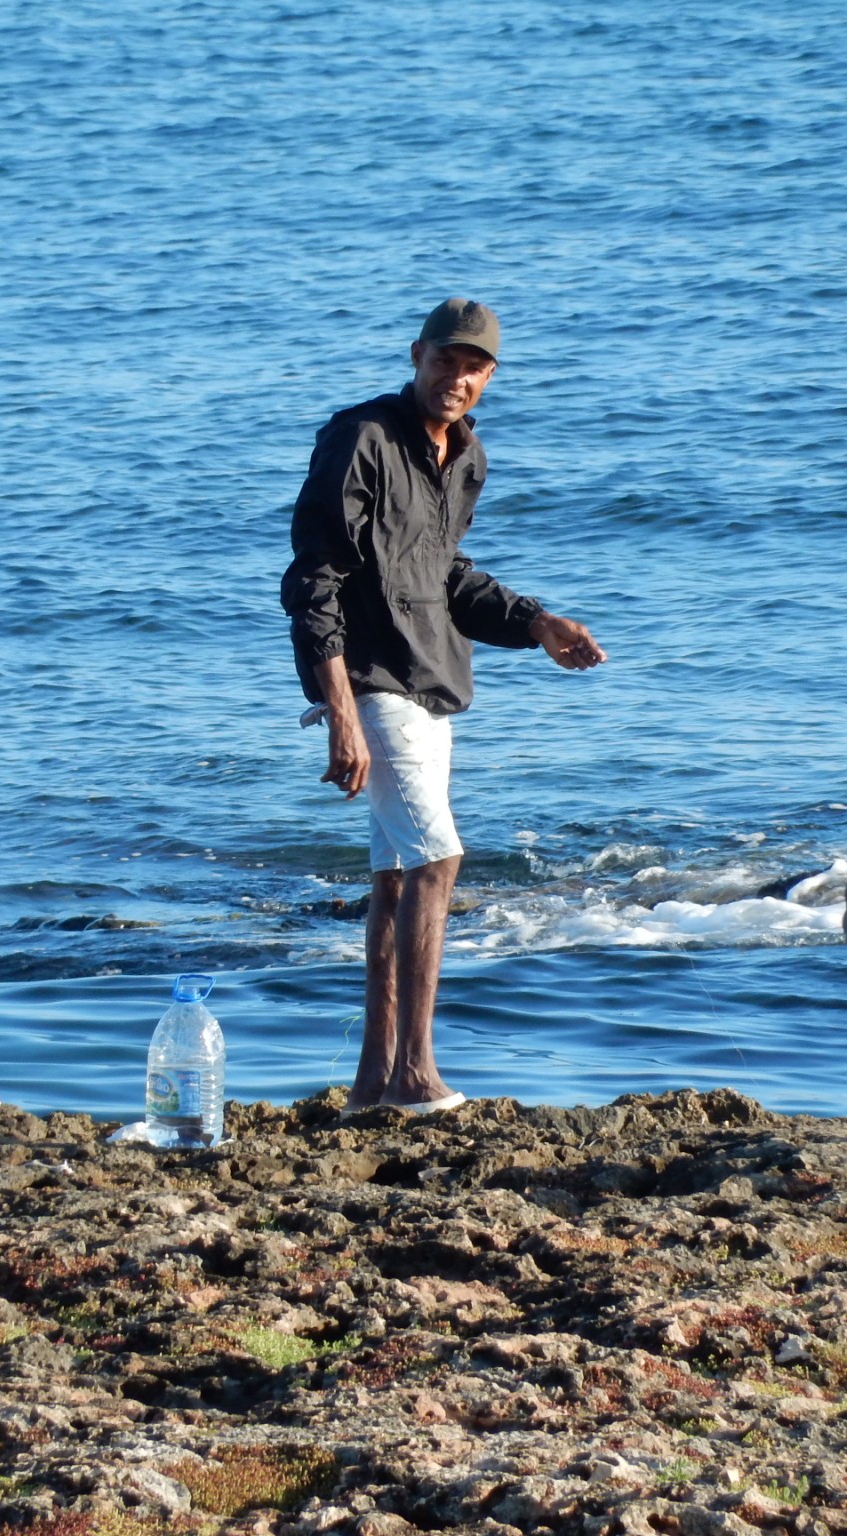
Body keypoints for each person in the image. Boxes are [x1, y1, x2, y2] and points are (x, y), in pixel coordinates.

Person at [281, 298, 606, 1113]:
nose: (456, 378)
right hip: (373, 681)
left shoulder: (466, 459)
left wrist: (536, 623)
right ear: (417, 354)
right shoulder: (360, 438)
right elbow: (313, 578)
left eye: (474, 367)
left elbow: (445, 576)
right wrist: (342, 706)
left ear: (489, 377)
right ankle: (418, 1074)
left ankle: (373, 1083)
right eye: (445, 360)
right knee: (436, 858)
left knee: (396, 873)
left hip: (433, 684)